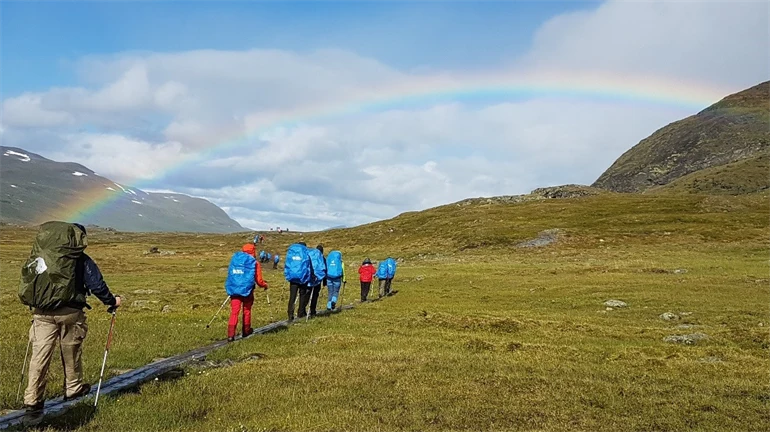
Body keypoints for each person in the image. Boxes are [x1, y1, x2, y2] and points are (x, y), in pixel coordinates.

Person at [19, 222, 122, 422]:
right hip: (70, 312)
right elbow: (96, 285)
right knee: (71, 350)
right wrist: (112, 301)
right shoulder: (80, 259)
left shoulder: (40, 256)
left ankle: (32, 400)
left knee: (39, 356)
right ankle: (73, 388)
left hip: (41, 313)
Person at [224, 244, 268, 341]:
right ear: (253, 251)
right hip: (247, 290)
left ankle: (230, 335)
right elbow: (259, 280)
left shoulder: (235, 259)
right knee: (246, 310)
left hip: (234, 290)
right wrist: (265, 285)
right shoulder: (254, 262)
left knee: (234, 312)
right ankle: (246, 331)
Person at [285, 242, 312, 321]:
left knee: (292, 296)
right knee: (302, 295)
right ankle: (300, 313)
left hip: (293, 277)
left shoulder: (293, 251)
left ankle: (290, 314)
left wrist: (287, 275)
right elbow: (308, 266)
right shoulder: (305, 252)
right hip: (303, 277)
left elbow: (288, 264)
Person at [306, 244, 326, 317]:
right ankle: (313, 311)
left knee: (307, 293)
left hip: (308, 277)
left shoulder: (310, 254)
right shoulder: (322, 257)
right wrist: (324, 281)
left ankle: (302, 310)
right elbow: (324, 269)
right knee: (315, 295)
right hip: (317, 278)